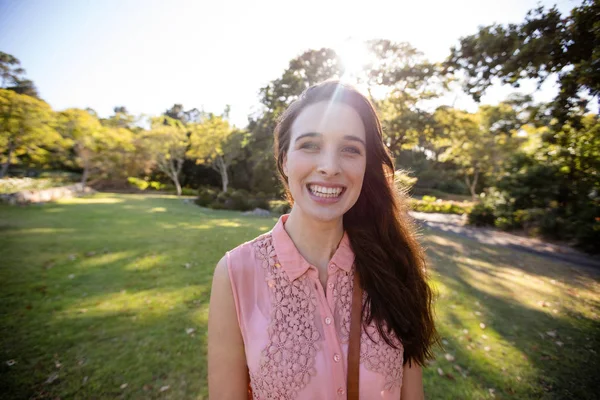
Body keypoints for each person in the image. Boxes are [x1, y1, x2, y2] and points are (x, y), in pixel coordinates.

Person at [208, 80, 437, 399]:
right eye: (310, 145)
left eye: (350, 149)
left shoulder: (394, 264)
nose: (330, 167)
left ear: (365, 164)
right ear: (285, 160)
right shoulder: (234, 273)